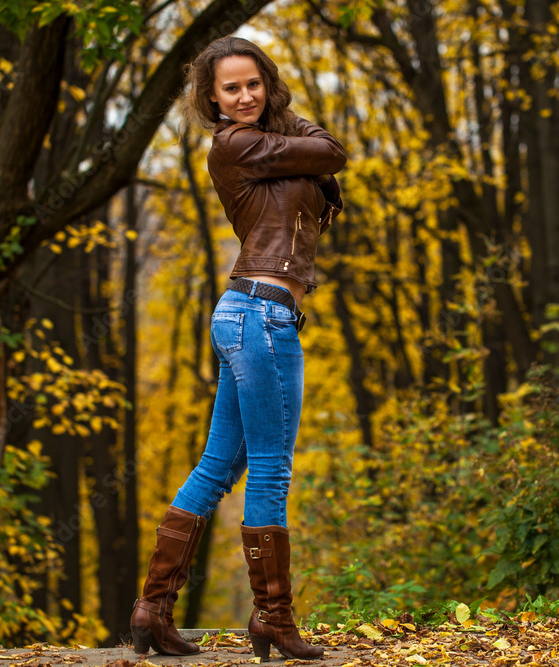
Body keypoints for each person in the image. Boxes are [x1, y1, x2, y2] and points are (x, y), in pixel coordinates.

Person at [129, 36, 346, 662]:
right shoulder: (235, 144)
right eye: (231, 88)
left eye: (254, 84)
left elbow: (321, 158)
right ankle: (274, 618)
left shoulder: (267, 142)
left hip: (246, 314)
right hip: (263, 317)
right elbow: (331, 151)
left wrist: (305, 151)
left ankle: (153, 610)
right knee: (271, 467)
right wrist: (312, 158)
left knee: (218, 466)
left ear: (267, 84)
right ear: (212, 98)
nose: (244, 95)